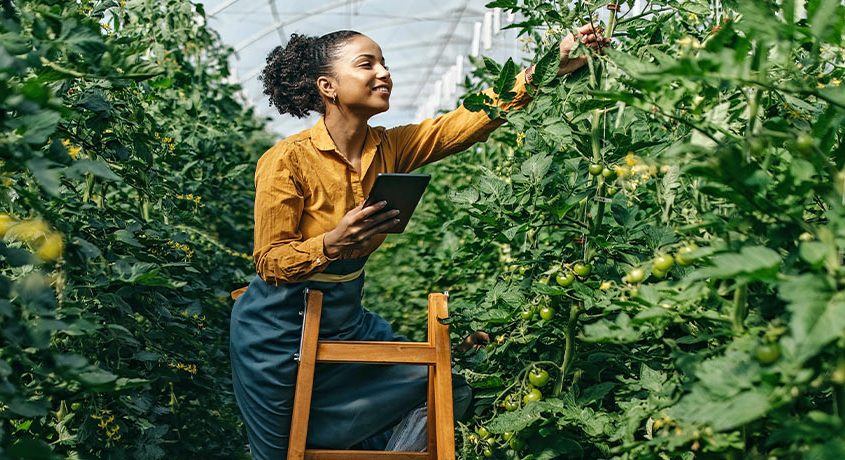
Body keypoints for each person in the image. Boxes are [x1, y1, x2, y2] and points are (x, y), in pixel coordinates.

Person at [230, 24, 608, 459]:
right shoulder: (287, 160)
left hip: (346, 315)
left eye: (384, 62)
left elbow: (465, 122)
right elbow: (270, 261)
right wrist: (331, 243)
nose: (384, 72)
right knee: (280, 451)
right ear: (327, 86)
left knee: (444, 385)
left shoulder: (390, 146)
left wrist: (548, 67)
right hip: (278, 328)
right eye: (366, 64)